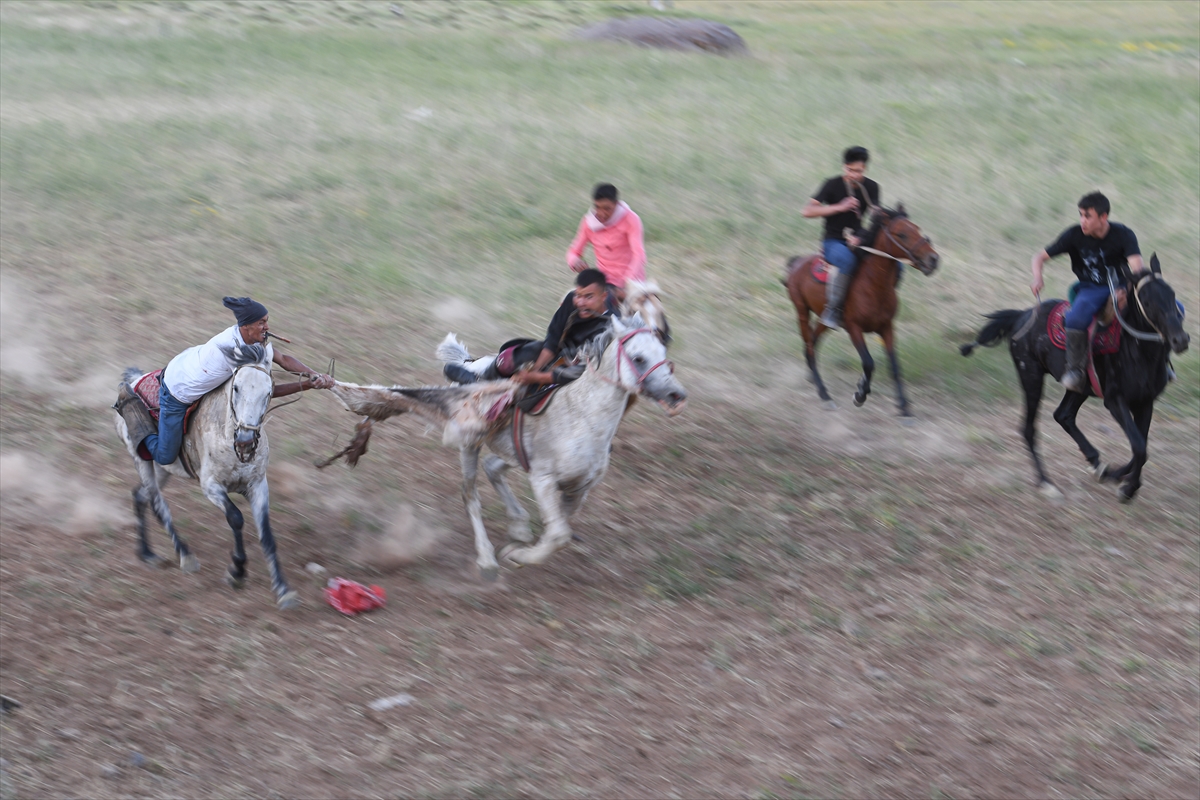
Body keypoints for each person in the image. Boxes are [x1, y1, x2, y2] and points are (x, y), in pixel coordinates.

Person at [114, 296, 334, 466]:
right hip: (176, 389)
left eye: (267, 321)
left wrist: (314, 374)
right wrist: (305, 385)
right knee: (165, 456)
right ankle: (134, 417)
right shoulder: (231, 351)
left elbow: (284, 359)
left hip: (192, 362)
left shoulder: (254, 338)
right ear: (245, 326)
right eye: (262, 323)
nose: (267, 327)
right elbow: (259, 391)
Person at [1031, 192, 1143, 393]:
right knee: (1075, 318)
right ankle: (1075, 370)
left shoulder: (1124, 234)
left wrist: (1130, 288)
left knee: (1168, 308)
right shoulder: (1074, 235)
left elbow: (1137, 268)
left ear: (1103, 217)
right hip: (1091, 288)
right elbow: (1039, 257)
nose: (1082, 221)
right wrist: (1038, 277)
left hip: (1120, 285)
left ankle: (1163, 363)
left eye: (1087, 216)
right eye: (1081, 215)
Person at [444, 269, 618, 386]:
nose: (580, 302)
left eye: (588, 297)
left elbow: (585, 369)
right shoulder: (572, 301)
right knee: (519, 353)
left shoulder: (613, 326)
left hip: (583, 370)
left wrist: (537, 377)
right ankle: (478, 379)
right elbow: (554, 337)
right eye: (579, 295)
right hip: (558, 353)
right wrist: (535, 370)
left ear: (604, 296)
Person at [801, 145, 880, 330]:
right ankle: (833, 310)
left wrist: (863, 238)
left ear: (865, 169)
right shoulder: (832, 184)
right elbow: (807, 211)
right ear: (844, 167)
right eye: (850, 170)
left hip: (859, 239)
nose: (854, 175)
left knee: (893, 264)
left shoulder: (872, 187)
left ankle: (879, 306)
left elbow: (876, 219)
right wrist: (839, 207)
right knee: (847, 261)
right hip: (833, 240)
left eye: (858, 171)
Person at [566, 183, 646, 302]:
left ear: (616, 204)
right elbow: (573, 251)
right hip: (604, 283)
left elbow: (639, 255)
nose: (601, 213)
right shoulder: (588, 222)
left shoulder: (631, 219)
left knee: (654, 314)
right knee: (568, 303)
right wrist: (574, 261)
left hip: (631, 283)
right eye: (597, 207)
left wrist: (627, 284)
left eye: (607, 208)